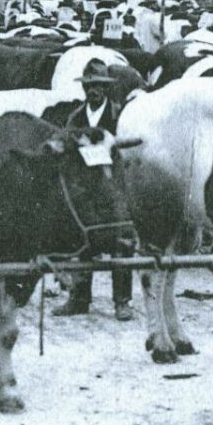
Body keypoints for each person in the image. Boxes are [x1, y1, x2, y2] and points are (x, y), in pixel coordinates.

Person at [56, 59, 132, 322]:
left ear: (106, 88)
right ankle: (79, 298)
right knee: (82, 242)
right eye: (89, 86)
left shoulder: (119, 115)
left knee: (121, 242)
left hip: (112, 189)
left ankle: (122, 301)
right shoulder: (75, 117)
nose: (93, 91)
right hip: (85, 191)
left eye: (99, 85)